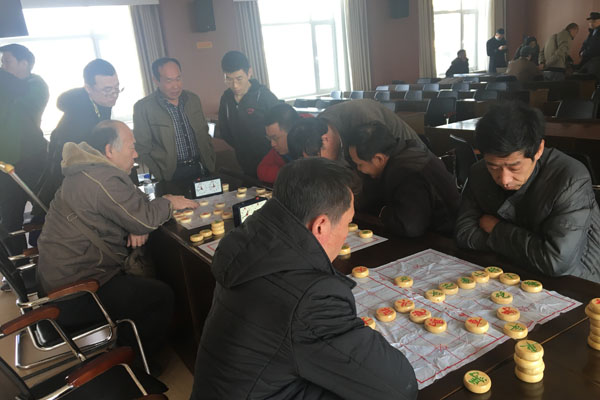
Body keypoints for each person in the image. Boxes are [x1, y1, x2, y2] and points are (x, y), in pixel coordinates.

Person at [190, 157, 418, 399]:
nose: (346, 234)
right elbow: (399, 387)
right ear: (320, 226)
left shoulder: (247, 247)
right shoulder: (311, 299)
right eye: (348, 223)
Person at [37, 120, 199, 363]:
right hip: (74, 293)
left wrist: (137, 221)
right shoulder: (102, 178)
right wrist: (168, 202)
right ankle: (139, 364)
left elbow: (136, 210)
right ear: (109, 150)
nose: (136, 154)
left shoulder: (88, 169)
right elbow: (143, 219)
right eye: (132, 147)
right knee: (160, 295)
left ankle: (129, 345)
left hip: (57, 280)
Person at [455, 102, 600, 283]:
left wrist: (495, 228)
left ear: (538, 150)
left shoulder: (570, 179)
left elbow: (555, 261)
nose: (504, 179)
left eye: (514, 167)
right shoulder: (479, 172)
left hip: (577, 280)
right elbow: (464, 234)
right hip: (510, 270)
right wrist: (532, 247)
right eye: (494, 167)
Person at [36, 59, 120, 215]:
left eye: (117, 88)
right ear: (88, 88)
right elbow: (70, 166)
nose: (114, 95)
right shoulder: (78, 118)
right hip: (68, 188)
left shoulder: (99, 103)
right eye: (107, 90)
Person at [347, 122, 459, 237]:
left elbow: (409, 227)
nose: (359, 169)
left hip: (444, 237)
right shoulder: (402, 150)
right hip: (431, 231)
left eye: (360, 164)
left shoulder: (407, 173)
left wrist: (382, 211)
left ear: (379, 158)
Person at [133, 57, 216, 196]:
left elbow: (204, 134)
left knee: (211, 207)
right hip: (170, 176)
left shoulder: (193, 99)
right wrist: (160, 174)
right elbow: (142, 148)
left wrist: (210, 162)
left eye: (178, 79)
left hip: (201, 168)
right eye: (169, 81)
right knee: (178, 211)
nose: (175, 86)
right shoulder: (144, 107)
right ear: (156, 80)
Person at [0, 44, 48, 254]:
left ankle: (48, 255)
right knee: (10, 219)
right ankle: (19, 263)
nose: (3, 66)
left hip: (33, 161)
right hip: (5, 164)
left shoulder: (36, 85)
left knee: (44, 210)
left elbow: (19, 100)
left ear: (24, 63)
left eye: (7, 61)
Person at [289, 99, 423, 161]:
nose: (319, 167)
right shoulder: (319, 125)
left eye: (318, 159)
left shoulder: (363, 122)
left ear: (325, 140)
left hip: (411, 161)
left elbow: (379, 167)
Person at [217, 51, 279, 178]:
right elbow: (225, 131)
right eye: (229, 79)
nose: (234, 85)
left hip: (270, 161)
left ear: (249, 72)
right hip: (244, 161)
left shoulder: (264, 96)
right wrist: (241, 147)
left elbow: (281, 131)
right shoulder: (226, 99)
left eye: (239, 79)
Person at [256, 103, 300, 183]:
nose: (272, 144)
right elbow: (262, 170)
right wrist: (291, 174)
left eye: (275, 138)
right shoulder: (279, 150)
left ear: (293, 132)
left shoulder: (314, 147)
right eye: (269, 138)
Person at [579, 12, 600, 80]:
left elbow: (595, 48)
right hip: (589, 62)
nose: (591, 23)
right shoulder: (592, 31)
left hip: (595, 63)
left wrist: (583, 53)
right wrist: (581, 51)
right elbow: (585, 43)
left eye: (594, 21)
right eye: (590, 21)